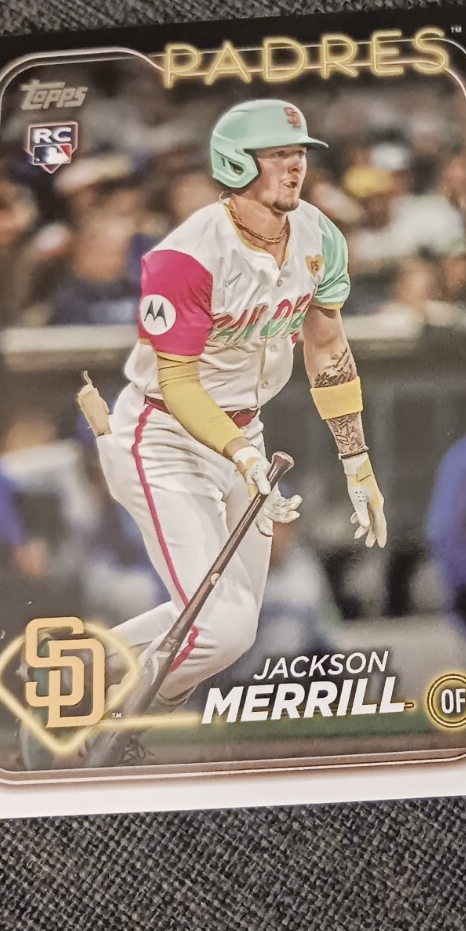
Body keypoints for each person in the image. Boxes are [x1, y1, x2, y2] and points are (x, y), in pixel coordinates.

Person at [80, 99, 388, 743]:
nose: (295, 165)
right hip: (163, 435)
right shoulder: (186, 255)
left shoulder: (321, 236)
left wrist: (357, 462)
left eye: (299, 153)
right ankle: (104, 725)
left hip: (244, 434)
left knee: (231, 626)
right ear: (235, 164)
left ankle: (81, 668)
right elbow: (179, 384)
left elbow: (327, 347)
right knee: (219, 630)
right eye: (277, 154)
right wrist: (241, 455)